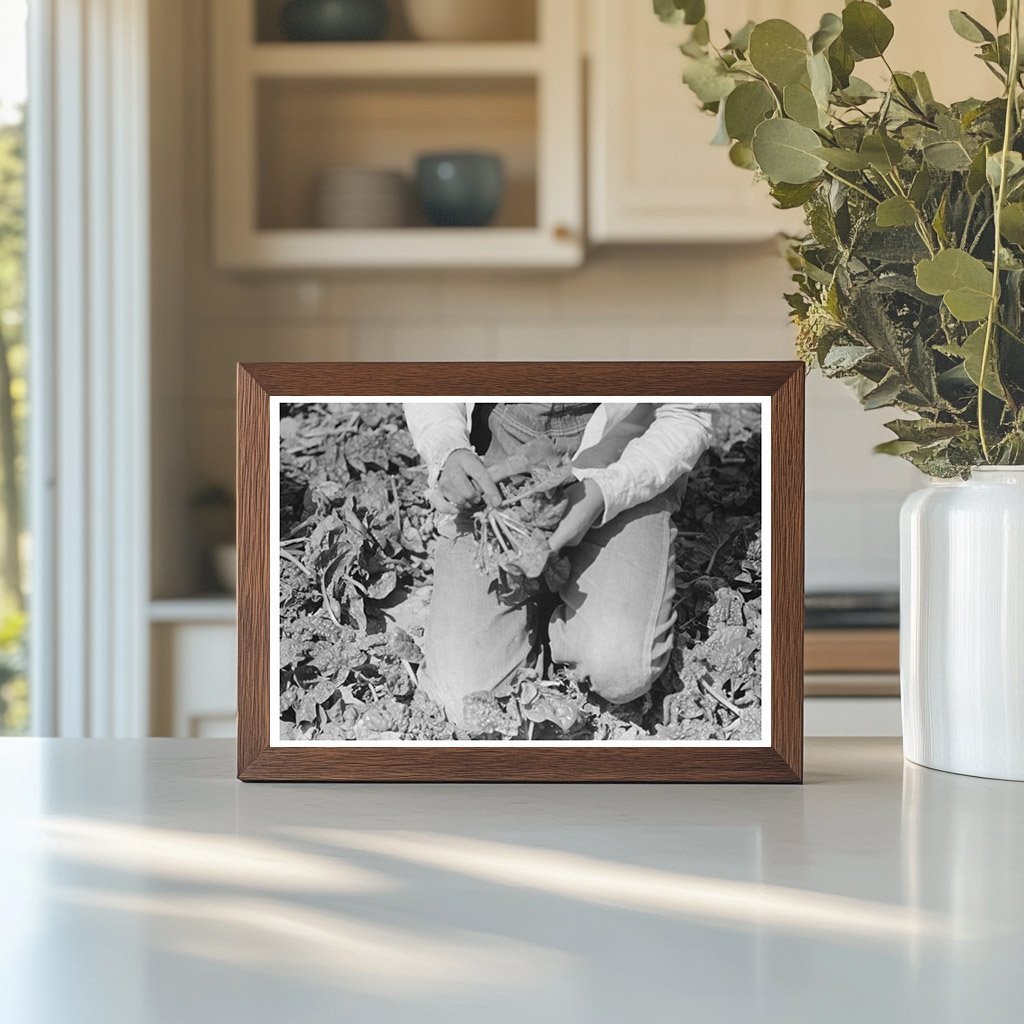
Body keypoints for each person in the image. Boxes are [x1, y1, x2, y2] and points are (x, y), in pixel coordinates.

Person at [403, 402, 714, 726]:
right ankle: (552, 596)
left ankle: (569, 608)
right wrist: (447, 448)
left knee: (619, 667)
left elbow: (687, 413)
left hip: (624, 455)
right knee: (463, 697)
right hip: (498, 464)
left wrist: (604, 492)